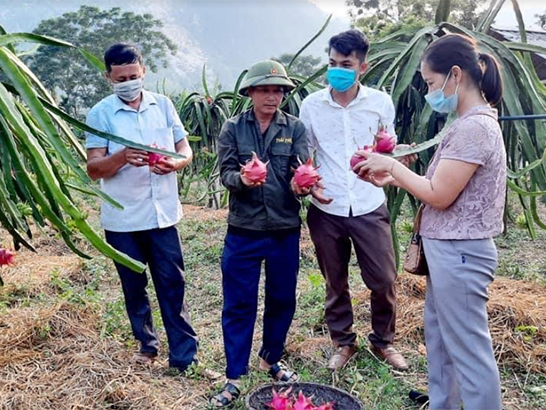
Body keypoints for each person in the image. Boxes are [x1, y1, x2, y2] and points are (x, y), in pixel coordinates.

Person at [355, 33, 505, 410]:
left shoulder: (475, 127)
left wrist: (390, 163)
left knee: (469, 353)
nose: (429, 91)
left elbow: (440, 194)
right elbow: (443, 185)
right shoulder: (468, 122)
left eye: (431, 83)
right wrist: (394, 176)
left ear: (456, 75)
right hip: (450, 254)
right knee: (442, 343)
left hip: (462, 255)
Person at [210, 59, 331, 407]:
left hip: (284, 229)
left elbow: (301, 174)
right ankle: (234, 375)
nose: (272, 96)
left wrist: (302, 186)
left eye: (278, 90)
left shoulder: (295, 128)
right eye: (265, 89)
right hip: (243, 230)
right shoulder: (232, 128)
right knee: (239, 303)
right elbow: (226, 175)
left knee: (282, 299)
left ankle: (270, 358)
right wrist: (243, 180)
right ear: (250, 92)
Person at [298, 29, 409, 371]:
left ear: (363, 66)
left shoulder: (379, 103)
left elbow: (386, 147)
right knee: (335, 280)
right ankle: (343, 343)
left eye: (345, 64)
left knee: (383, 278)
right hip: (326, 206)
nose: (337, 71)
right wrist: (309, 183)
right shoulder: (311, 105)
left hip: (367, 202)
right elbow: (305, 155)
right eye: (331, 63)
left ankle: (383, 342)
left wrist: (393, 165)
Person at [85, 43, 199, 372]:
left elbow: (183, 148)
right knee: (134, 286)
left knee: (172, 283)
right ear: (109, 77)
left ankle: (184, 356)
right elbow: (93, 169)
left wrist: (176, 164)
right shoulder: (101, 114)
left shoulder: (162, 106)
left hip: (162, 213)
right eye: (121, 79)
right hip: (122, 218)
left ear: (143, 71)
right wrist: (121, 157)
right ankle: (147, 346)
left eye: (133, 76)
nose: (128, 83)